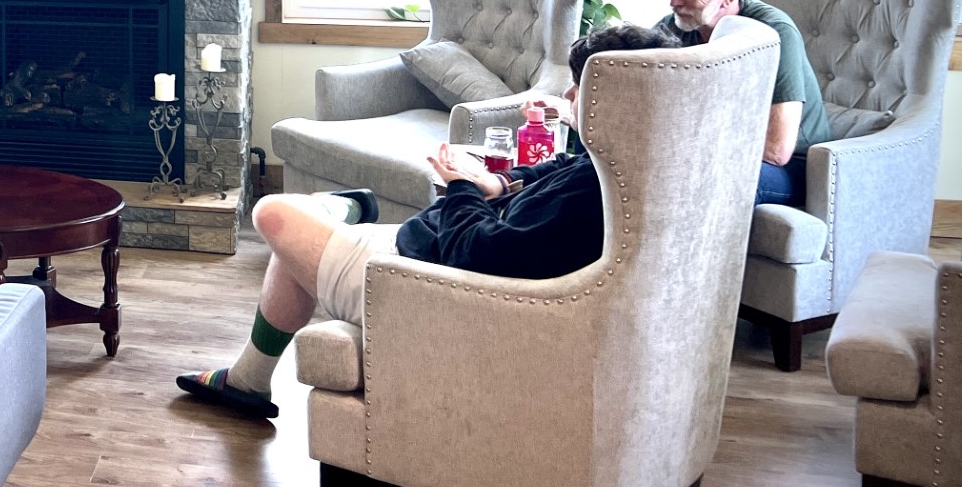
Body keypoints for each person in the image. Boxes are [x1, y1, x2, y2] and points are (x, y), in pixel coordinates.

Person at [176, 22, 676, 420]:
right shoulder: (616, 164)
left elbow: (478, 253)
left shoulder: (593, 192)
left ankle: (346, 206)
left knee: (276, 214)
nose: (568, 96)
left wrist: (459, 186)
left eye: (579, 87)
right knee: (299, 237)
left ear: (611, 95)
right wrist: (498, 183)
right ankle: (247, 381)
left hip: (421, 276)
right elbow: (556, 171)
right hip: (426, 246)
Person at [652, 0, 829, 207]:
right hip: (713, 152)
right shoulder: (675, 25)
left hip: (791, 168)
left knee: (702, 176)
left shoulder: (774, 33)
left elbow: (777, 149)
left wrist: (689, 148)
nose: (675, 1)